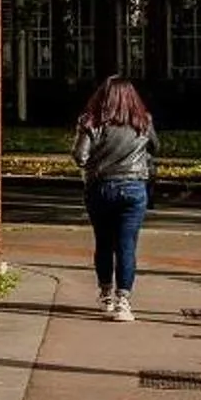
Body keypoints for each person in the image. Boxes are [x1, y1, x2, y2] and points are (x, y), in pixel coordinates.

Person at [69, 76, 157, 321]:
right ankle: (123, 301)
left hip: (101, 187)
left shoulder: (91, 121)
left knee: (104, 242)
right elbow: (155, 148)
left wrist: (95, 165)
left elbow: (79, 156)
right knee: (127, 244)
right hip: (133, 187)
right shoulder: (143, 121)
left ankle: (106, 294)